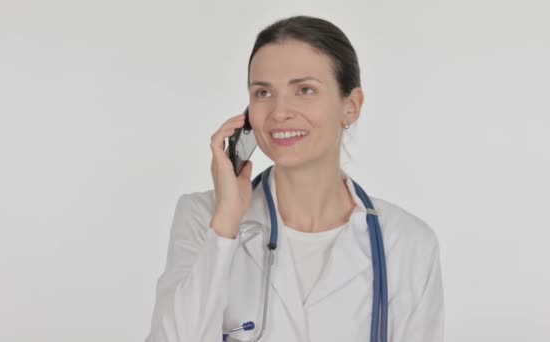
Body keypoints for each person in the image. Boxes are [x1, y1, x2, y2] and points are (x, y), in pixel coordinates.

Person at [146, 15, 444, 342]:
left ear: (351, 106)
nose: (279, 111)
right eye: (263, 92)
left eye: (304, 89)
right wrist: (226, 224)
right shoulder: (204, 216)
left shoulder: (407, 242)